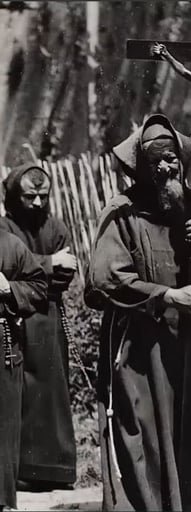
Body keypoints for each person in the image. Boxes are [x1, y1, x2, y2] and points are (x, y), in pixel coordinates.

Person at [84, 114, 191, 511]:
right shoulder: (122, 213)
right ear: (142, 167)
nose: (164, 168)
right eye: (155, 161)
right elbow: (102, 281)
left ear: (182, 159)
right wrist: (168, 296)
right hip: (142, 359)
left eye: (171, 159)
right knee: (147, 447)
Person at [0, 164, 77, 491]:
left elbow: (63, 277)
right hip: (13, 319)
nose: (36, 203)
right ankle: (21, 469)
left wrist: (37, 270)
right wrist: (48, 262)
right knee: (21, 395)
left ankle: (54, 468)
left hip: (47, 320)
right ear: (14, 195)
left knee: (51, 392)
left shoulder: (56, 228)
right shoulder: (4, 228)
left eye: (42, 196)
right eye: (29, 196)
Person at [0, 230, 47, 510]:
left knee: (3, 425)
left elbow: (39, 286)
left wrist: (8, 289)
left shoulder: (8, 244)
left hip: (2, 346)